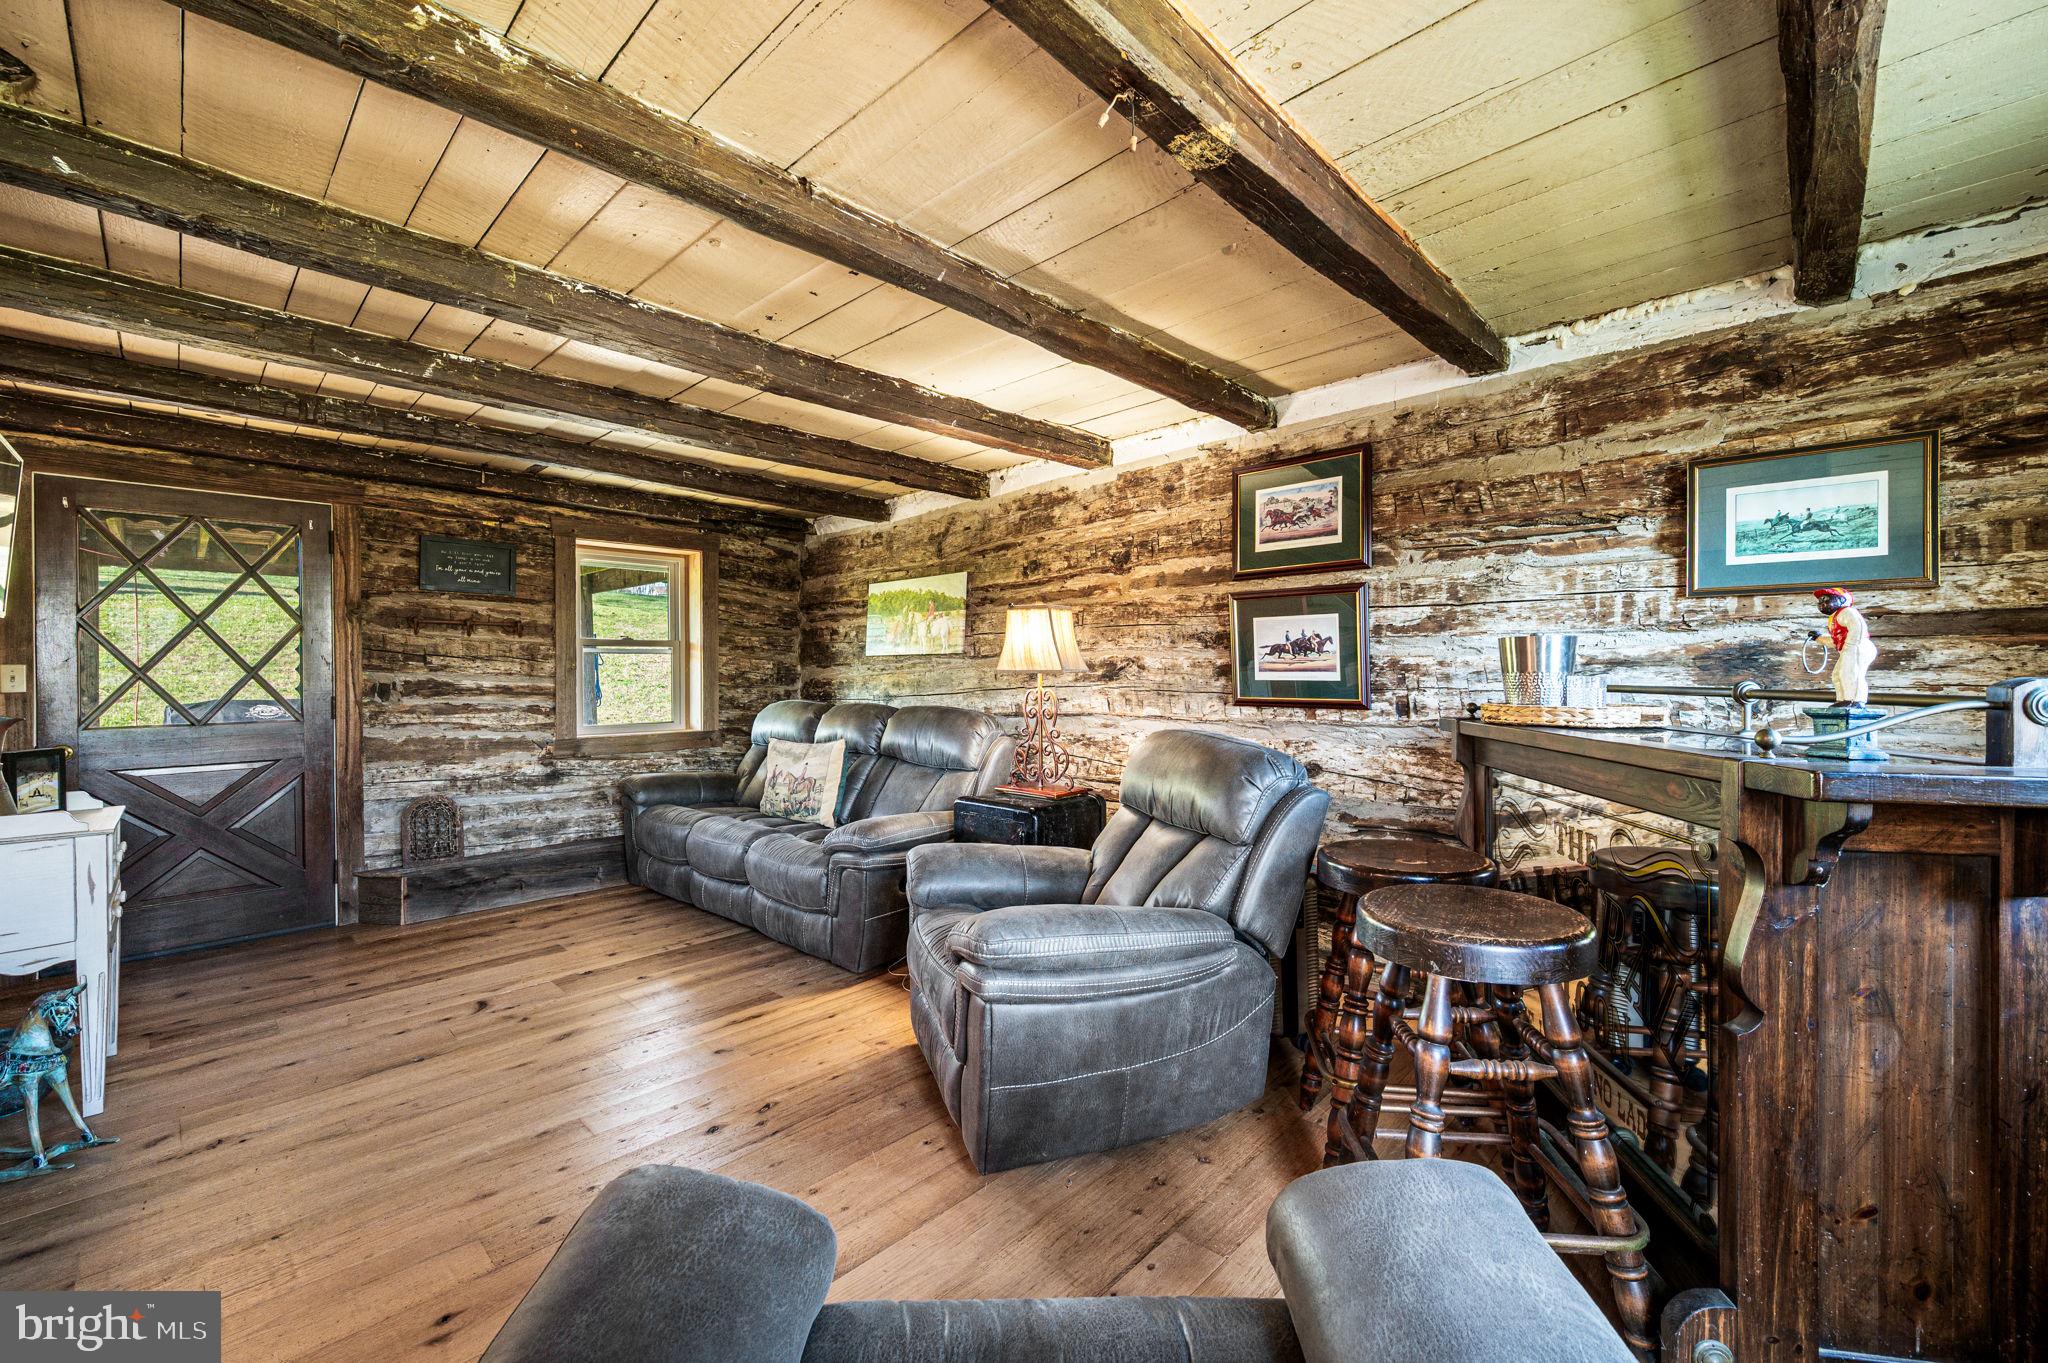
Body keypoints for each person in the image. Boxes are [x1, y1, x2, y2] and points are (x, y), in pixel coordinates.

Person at [1815, 586, 1876, 706]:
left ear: (1841, 599)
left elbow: (1858, 627)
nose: (1823, 603)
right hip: (1849, 649)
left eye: (1826, 599)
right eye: (1821, 600)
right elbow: (1836, 641)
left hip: (1858, 646)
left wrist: (1851, 646)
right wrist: (1819, 638)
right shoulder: (1835, 618)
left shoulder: (1847, 612)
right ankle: (1843, 699)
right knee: (1838, 675)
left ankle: (1856, 700)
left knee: (1851, 673)